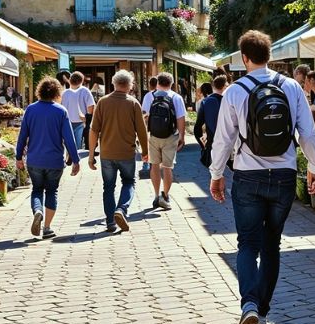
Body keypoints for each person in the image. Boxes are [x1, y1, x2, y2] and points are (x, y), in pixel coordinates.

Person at [210, 30, 315, 324]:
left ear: (244, 57)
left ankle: (249, 305)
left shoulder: (235, 91)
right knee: (271, 244)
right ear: (269, 55)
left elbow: (224, 139)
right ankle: (260, 315)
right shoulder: (290, 86)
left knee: (247, 244)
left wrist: (216, 174)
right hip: (284, 175)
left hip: (248, 176)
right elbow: (308, 133)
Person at [14, 77, 81, 238]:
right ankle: (47, 227)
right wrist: (76, 160)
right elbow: (69, 138)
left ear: (40, 91)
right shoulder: (60, 111)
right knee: (52, 191)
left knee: (37, 190)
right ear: (57, 92)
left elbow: (22, 136)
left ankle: (38, 211)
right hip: (54, 161)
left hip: (34, 160)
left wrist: (18, 157)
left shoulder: (30, 110)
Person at [85, 69, 150, 233]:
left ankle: (110, 222)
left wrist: (91, 155)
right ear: (130, 85)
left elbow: (94, 131)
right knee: (128, 182)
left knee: (108, 187)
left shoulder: (103, 102)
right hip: (126, 153)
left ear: (114, 83)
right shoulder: (133, 103)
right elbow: (142, 131)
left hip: (106, 153)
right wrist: (145, 152)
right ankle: (121, 209)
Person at [143, 72, 188, 210]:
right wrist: (182, 137)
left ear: (157, 83)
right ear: (172, 83)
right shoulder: (176, 97)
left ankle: (156, 196)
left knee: (154, 166)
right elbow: (181, 118)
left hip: (154, 136)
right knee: (167, 167)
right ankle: (166, 195)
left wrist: (145, 136)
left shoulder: (149, 96)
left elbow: (144, 117)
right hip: (171, 136)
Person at [57, 71, 94, 150]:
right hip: (80, 122)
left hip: (66, 121)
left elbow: (59, 107)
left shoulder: (64, 93)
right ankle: (76, 160)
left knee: (67, 144)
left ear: (70, 80)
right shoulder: (85, 91)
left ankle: (69, 158)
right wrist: (88, 119)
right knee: (78, 146)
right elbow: (91, 106)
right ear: (82, 81)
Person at [196, 74, 227, 167]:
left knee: (215, 174)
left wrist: (203, 145)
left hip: (212, 143)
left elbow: (197, 127)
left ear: (214, 86)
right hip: (229, 143)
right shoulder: (229, 100)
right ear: (225, 86)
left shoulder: (205, 102)